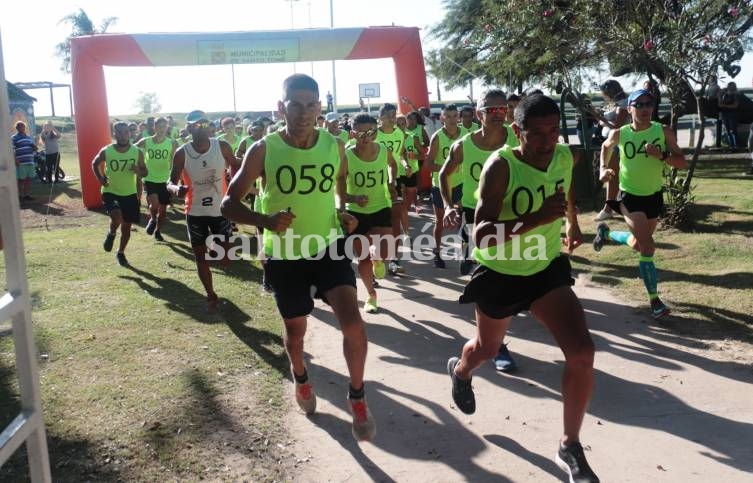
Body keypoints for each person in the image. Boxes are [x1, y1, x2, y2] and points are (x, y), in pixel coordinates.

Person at [447, 94, 599, 483]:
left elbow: (564, 191)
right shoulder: (500, 166)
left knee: (582, 352)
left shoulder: (566, 156)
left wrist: (573, 222)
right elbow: (480, 235)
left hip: (546, 268)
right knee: (487, 349)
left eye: (553, 131)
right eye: (536, 133)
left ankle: (570, 444)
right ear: (518, 132)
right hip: (499, 272)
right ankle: (461, 371)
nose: (547, 141)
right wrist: (531, 220)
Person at [221, 74, 377, 442]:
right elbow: (229, 204)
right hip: (285, 254)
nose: (304, 113)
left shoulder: (335, 145)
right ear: (281, 107)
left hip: (328, 246)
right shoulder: (264, 149)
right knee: (296, 331)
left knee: (353, 322)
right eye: (295, 105)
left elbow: (336, 185)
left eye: (311, 105)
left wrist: (341, 211)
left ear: (320, 108)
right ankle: (300, 376)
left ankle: (357, 396)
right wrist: (265, 221)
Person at [440, 90, 520, 373]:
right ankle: (496, 345)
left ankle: (495, 336)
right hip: (479, 214)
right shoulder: (464, 145)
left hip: (513, 210)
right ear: (478, 114)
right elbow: (443, 175)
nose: (497, 114)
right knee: (492, 274)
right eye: (490, 110)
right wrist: (450, 206)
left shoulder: (516, 138)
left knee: (512, 272)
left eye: (502, 109)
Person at [594, 89, 687, 318]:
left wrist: (662, 156)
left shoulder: (663, 131)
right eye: (640, 104)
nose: (645, 108)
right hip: (629, 197)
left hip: (654, 197)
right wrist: (603, 169)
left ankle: (606, 234)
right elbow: (605, 147)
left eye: (649, 104)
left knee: (638, 244)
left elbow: (681, 162)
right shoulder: (620, 133)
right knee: (648, 248)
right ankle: (655, 301)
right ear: (630, 109)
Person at [167, 110, 238, 310]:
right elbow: (170, 181)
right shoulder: (182, 153)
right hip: (195, 212)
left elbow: (236, 166)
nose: (203, 127)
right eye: (197, 125)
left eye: (206, 123)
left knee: (226, 258)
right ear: (189, 128)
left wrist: (235, 187)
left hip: (220, 210)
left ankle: (215, 252)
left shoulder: (221, 146)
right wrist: (175, 189)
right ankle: (210, 294)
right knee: (200, 257)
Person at [343, 113, 398, 313]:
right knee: (363, 258)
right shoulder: (347, 156)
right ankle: (371, 295)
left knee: (385, 248)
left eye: (370, 132)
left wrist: (392, 182)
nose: (366, 136)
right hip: (356, 212)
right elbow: (337, 188)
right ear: (352, 133)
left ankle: (379, 259)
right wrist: (352, 199)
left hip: (381, 206)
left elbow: (393, 165)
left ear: (376, 132)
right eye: (360, 133)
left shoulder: (383, 150)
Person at [92, 121, 148, 266]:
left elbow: (145, 171)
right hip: (111, 191)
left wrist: (138, 171)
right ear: (114, 134)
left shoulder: (137, 152)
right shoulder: (107, 150)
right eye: (120, 132)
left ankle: (121, 253)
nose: (123, 136)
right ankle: (111, 234)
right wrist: (101, 178)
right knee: (116, 217)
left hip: (129, 193)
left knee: (126, 227)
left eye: (126, 132)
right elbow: (94, 163)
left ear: (130, 134)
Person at [427, 104, 464, 268]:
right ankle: (437, 252)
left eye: (454, 116)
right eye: (448, 116)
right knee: (440, 221)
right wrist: (447, 169)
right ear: (442, 118)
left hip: (461, 183)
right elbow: (428, 164)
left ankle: (466, 254)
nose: (451, 119)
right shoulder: (437, 137)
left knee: (464, 219)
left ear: (458, 117)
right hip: (441, 185)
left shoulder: (466, 135)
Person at [376, 103, 410, 275]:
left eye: (393, 114)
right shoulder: (373, 134)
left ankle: (394, 259)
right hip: (374, 184)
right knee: (376, 225)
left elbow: (401, 153)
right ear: (380, 117)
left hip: (393, 180)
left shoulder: (399, 133)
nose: (392, 117)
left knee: (395, 221)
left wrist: (405, 163)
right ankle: (376, 259)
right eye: (388, 114)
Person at [136, 117, 178, 242]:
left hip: (165, 179)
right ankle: (153, 219)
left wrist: (175, 176)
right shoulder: (146, 141)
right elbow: (132, 149)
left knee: (163, 210)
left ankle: (158, 231)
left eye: (164, 126)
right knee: (154, 203)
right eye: (159, 126)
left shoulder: (172, 143)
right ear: (154, 127)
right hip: (149, 177)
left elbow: (176, 160)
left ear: (167, 128)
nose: (162, 129)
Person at [594, 79, 630, 222]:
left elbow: (617, 126)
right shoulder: (617, 104)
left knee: (612, 176)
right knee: (613, 176)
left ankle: (608, 209)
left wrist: (601, 119)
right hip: (611, 143)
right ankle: (613, 206)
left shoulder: (622, 105)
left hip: (616, 144)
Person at [11, 121, 37, 202]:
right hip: (21, 162)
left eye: (23, 126)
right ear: (17, 128)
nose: (21, 128)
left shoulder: (28, 137)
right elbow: (12, 150)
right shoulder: (14, 137)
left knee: (28, 179)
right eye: (19, 126)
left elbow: (33, 148)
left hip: (30, 161)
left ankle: (26, 195)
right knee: (21, 179)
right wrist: (15, 160)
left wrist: (34, 147)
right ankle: (20, 196)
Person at [718, 82, 740, 151]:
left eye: (731, 86)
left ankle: (736, 146)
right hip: (725, 114)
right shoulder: (725, 95)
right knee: (728, 131)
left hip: (732, 114)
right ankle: (732, 146)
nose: (730, 87)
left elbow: (735, 106)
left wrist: (724, 106)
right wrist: (720, 96)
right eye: (729, 86)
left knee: (733, 131)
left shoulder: (736, 95)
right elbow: (720, 104)